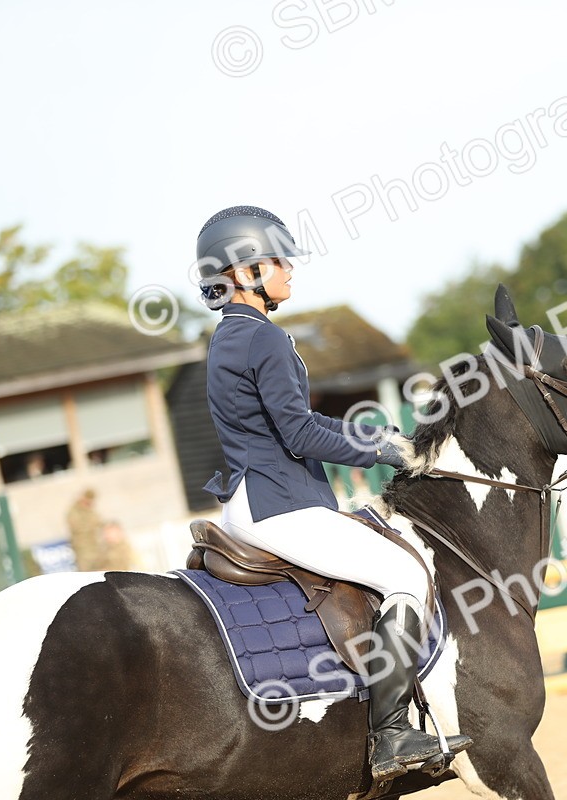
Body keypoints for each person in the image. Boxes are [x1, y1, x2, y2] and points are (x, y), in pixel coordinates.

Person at [194, 206, 472, 780]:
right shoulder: (262, 339)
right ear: (246, 272)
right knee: (406, 575)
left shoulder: (229, 336)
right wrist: (389, 447)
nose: (290, 269)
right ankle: (392, 732)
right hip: (279, 505)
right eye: (278, 260)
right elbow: (300, 430)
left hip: (256, 499)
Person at [66, 488, 104, 571]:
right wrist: (92, 524)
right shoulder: (74, 511)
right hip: (82, 549)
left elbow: (100, 522)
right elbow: (76, 527)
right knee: (86, 573)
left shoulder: (90, 510)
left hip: (94, 547)